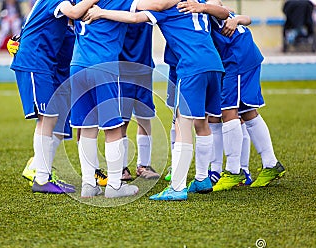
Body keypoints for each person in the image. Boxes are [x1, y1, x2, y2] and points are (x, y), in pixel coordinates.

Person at [83, 0, 229, 201]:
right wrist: (204, 7)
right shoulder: (198, 3)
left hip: (192, 68)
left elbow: (134, 17)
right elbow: (223, 13)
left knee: (182, 126)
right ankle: (202, 178)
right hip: (214, 65)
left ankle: (177, 188)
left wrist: (101, 13)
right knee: (202, 123)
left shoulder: (167, 7)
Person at [70, 0, 178, 198]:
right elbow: (154, 7)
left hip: (77, 65)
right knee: (112, 129)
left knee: (87, 128)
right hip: (103, 65)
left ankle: (88, 184)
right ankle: (114, 186)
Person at [178, 0, 286, 191]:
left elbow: (226, 12)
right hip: (246, 57)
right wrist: (234, 19)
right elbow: (242, 16)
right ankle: (271, 164)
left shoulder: (206, 10)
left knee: (228, 112)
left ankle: (234, 171)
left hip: (235, 61)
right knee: (248, 112)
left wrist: (204, 7)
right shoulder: (213, 12)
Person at [9, 0, 100, 194]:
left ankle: (44, 173)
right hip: (35, 62)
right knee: (47, 118)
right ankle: (41, 177)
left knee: (55, 119)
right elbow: (74, 12)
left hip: (46, 64)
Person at [119, 23, 160, 181]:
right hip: (122, 71)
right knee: (122, 122)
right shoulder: (117, 6)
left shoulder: (148, 7)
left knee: (145, 118)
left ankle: (143, 165)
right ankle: (121, 168)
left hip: (144, 69)